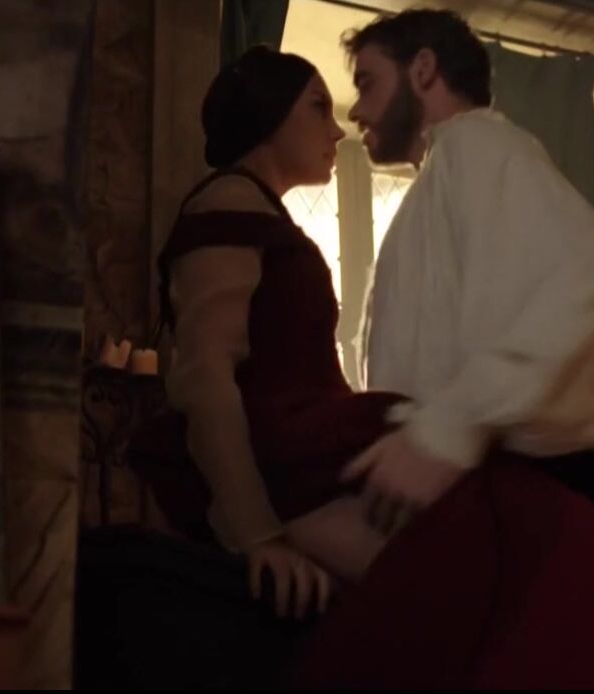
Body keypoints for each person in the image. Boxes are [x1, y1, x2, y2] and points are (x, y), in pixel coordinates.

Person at [285, 9, 594, 688]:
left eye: (367, 83)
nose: (359, 111)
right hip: (479, 510)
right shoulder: (446, 175)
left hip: (524, 511)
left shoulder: (483, 150)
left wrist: (448, 429)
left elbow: (581, 285)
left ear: (423, 70)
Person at [134, 45, 408, 623]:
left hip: (300, 454)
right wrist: (257, 533)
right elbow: (205, 374)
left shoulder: (256, 210)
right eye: (318, 107)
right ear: (269, 112)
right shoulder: (227, 203)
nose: (337, 130)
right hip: (286, 468)